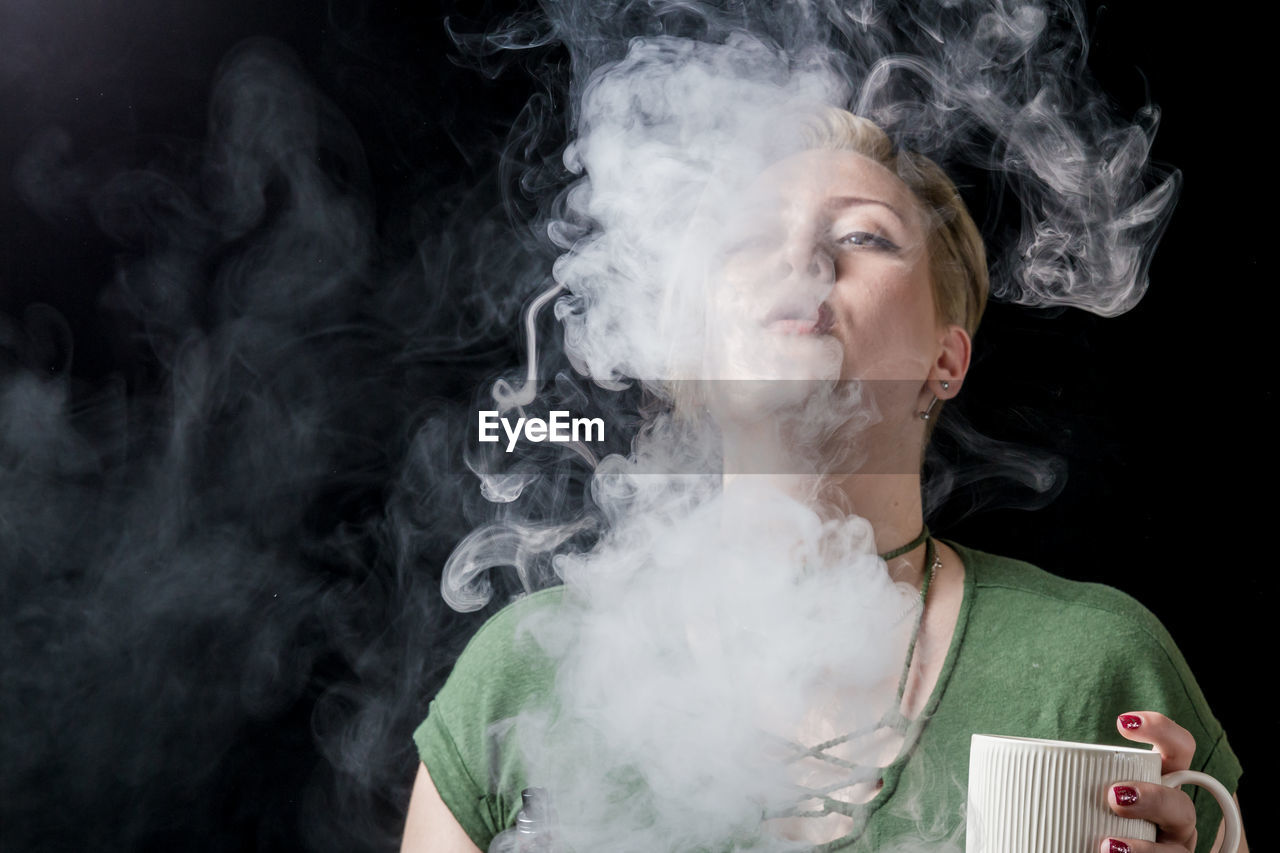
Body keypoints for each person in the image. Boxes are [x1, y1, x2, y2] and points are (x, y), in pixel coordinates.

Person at [399, 111, 1249, 853]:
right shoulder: (527, 673)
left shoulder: (1091, 661)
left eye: (863, 235)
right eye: (751, 237)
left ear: (945, 361)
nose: (801, 256)